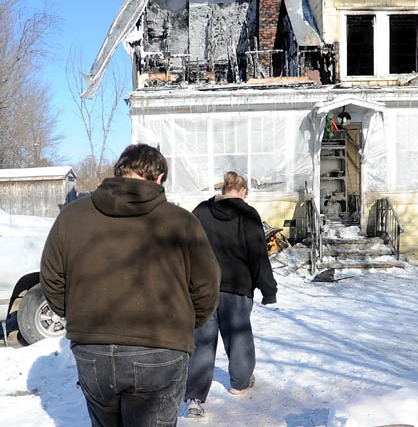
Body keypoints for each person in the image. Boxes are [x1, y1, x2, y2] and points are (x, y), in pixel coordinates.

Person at [40, 144, 221, 427]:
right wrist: (183, 323)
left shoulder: (72, 217)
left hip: (93, 349)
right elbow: (207, 288)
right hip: (160, 348)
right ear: (159, 178)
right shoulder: (182, 222)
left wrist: (79, 314)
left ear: (119, 171)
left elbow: (51, 279)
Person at [184, 171, 277, 418]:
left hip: (203, 288)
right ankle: (241, 382)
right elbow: (258, 256)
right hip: (237, 289)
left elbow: (186, 248)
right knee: (239, 338)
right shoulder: (247, 214)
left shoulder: (201, 211)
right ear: (243, 191)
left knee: (202, 341)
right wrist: (268, 289)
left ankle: (194, 397)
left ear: (224, 190)